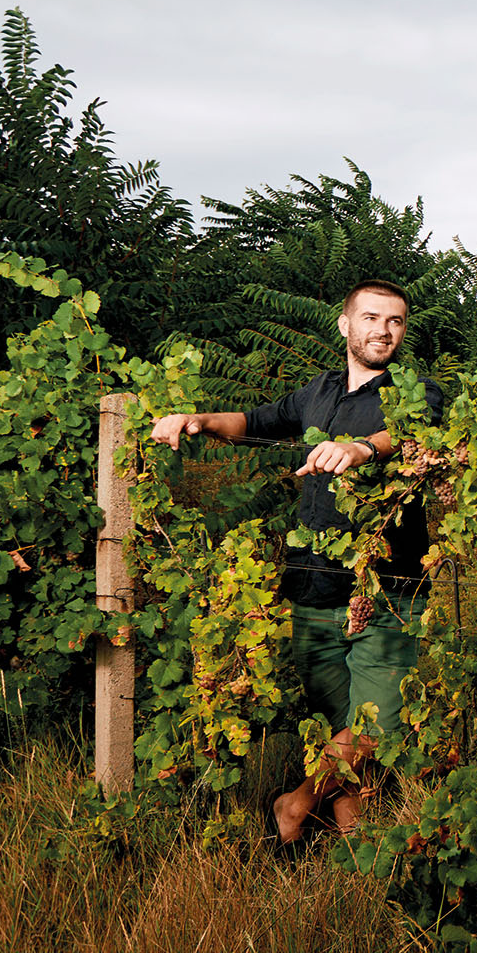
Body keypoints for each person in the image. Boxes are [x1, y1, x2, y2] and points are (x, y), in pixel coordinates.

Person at [149, 279, 446, 843]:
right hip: (311, 583)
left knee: (374, 729)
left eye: (396, 322)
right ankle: (355, 855)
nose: (384, 330)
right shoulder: (318, 392)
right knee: (341, 730)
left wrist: (361, 449)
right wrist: (198, 419)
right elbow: (254, 423)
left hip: (385, 589)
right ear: (345, 325)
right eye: (372, 318)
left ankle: (292, 807)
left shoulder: (414, 392)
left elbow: (410, 433)